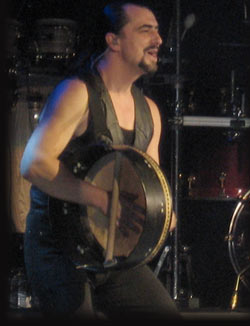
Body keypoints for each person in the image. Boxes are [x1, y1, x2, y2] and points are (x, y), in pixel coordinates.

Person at [20, 1, 179, 320]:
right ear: (114, 40)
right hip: (58, 247)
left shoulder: (150, 112)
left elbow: (151, 184)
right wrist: (100, 198)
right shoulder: (77, 93)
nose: (159, 39)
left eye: (158, 31)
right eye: (145, 29)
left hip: (111, 253)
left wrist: (159, 217)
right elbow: (33, 164)